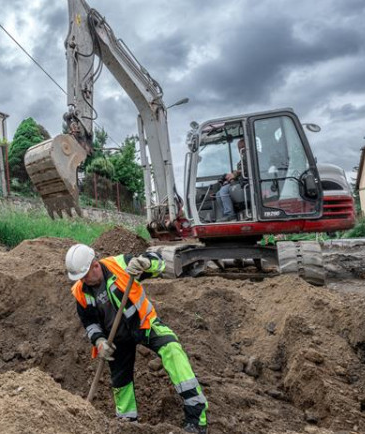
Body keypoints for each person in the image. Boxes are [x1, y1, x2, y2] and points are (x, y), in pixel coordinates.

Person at [65, 244, 208, 433]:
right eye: (79, 278)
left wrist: (146, 263)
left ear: (95, 265)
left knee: (172, 349)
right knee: (120, 382)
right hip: (115, 338)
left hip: (144, 325)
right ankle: (126, 425)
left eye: (84, 275)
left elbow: (161, 265)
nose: (82, 280)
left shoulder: (122, 265)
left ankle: (196, 417)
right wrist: (99, 341)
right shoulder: (80, 291)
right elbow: (89, 322)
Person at [216, 138, 246, 222]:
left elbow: (247, 170)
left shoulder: (250, 157)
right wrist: (229, 177)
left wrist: (235, 174)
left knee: (224, 191)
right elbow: (240, 171)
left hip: (245, 182)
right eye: (239, 147)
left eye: (241, 147)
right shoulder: (242, 159)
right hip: (239, 181)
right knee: (218, 194)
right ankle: (225, 214)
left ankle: (230, 214)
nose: (240, 149)